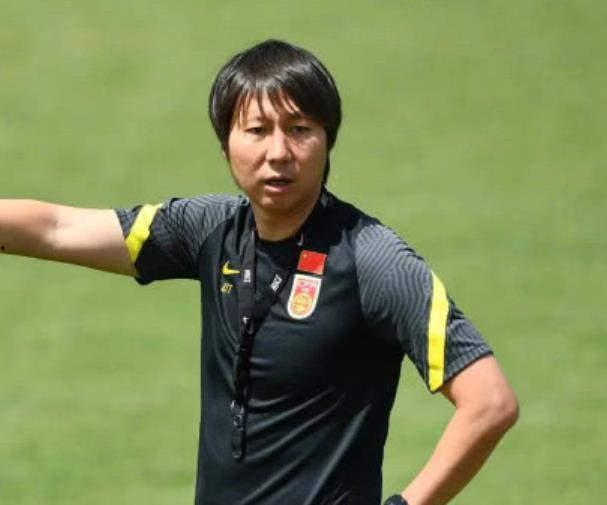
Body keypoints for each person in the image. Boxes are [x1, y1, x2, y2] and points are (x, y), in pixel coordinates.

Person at [0, 39, 518, 505]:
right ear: (226, 144)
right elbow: (58, 229)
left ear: (327, 140)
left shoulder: (372, 259)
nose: (279, 153)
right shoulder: (210, 229)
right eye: (257, 130)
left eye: (300, 130)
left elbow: (489, 402)